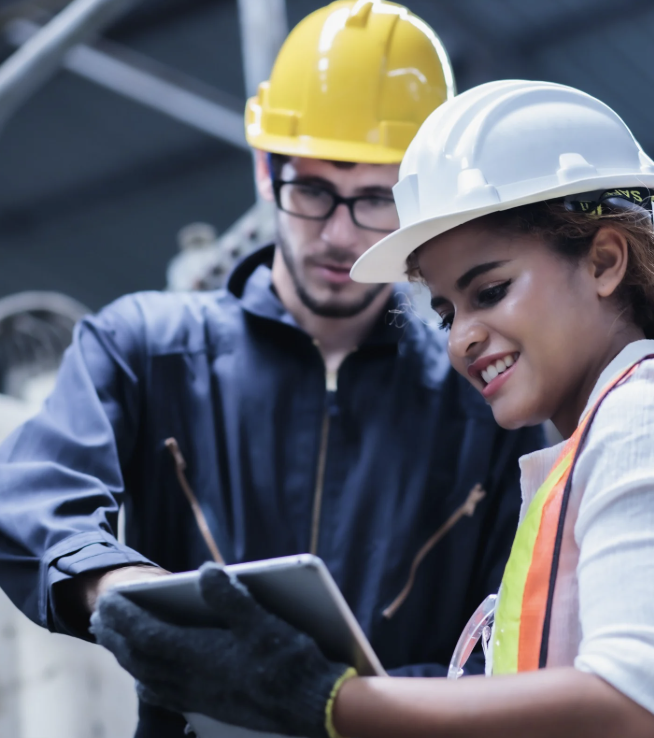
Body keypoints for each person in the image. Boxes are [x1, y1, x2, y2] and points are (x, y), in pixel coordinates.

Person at [92, 80, 654, 738]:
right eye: (446, 310)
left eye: (490, 290)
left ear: (603, 262)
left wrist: (328, 699)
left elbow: (642, 708)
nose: (463, 334)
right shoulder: (586, 457)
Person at [0, 6, 545, 737]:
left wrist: (346, 700)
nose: (341, 233)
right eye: (313, 191)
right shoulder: (145, 347)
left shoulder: (482, 398)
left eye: (376, 199)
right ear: (265, 170)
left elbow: (514, 639)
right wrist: (114, 586)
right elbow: (34, 497)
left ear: (421, 204)